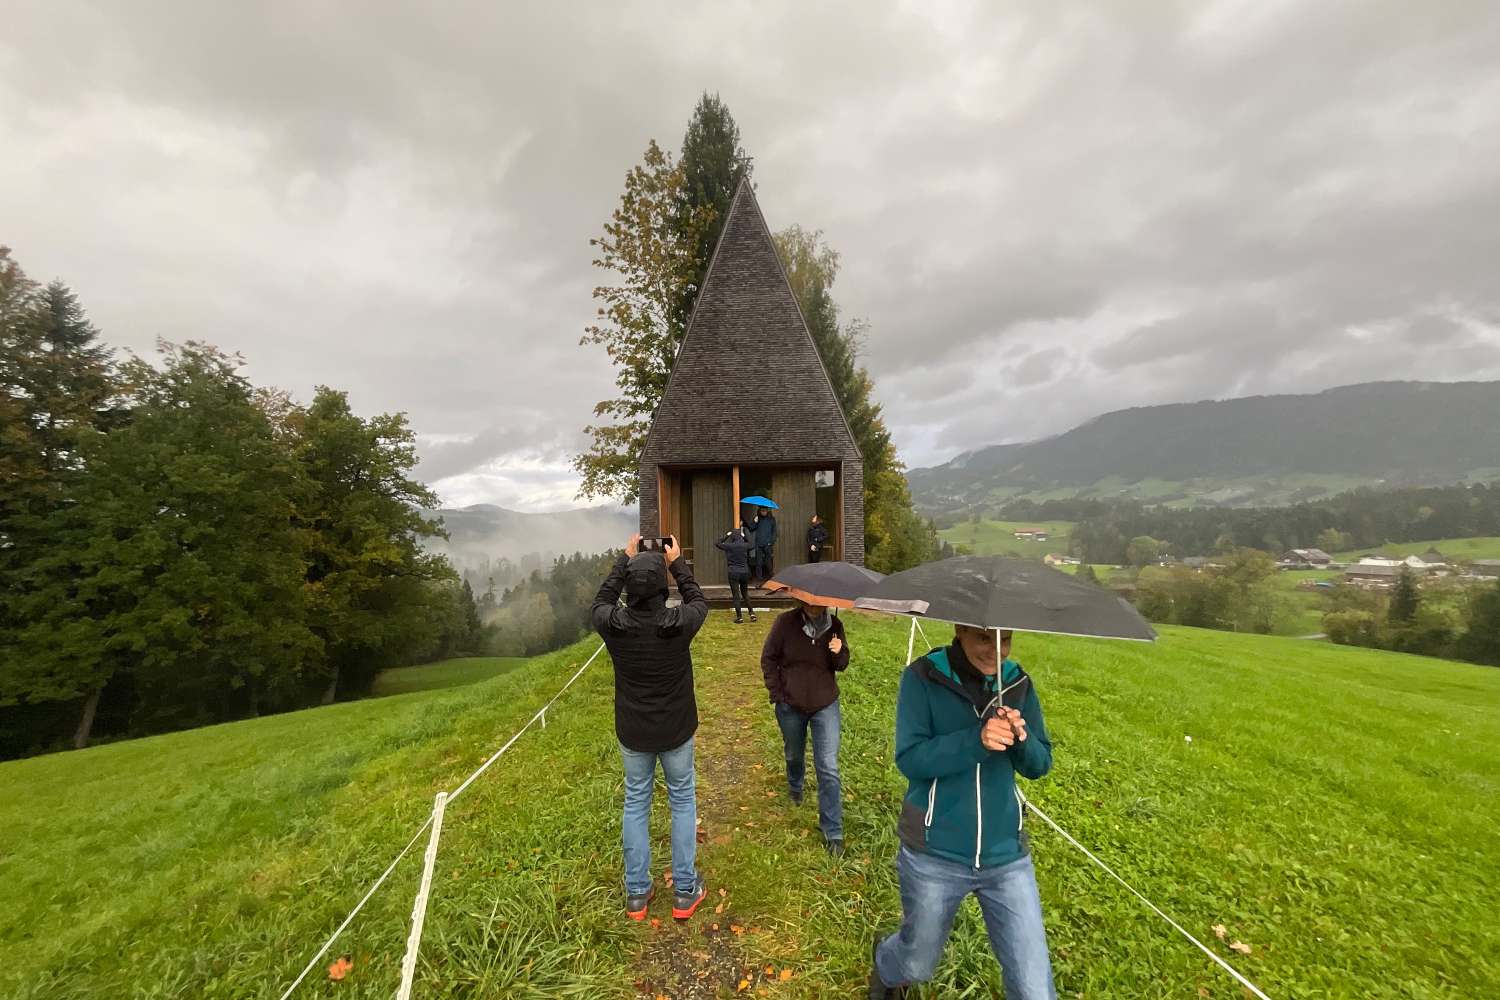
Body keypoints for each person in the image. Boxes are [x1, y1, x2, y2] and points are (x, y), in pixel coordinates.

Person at [869, 626, 1055, 1000]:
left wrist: (1022, 739)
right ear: (960, 631)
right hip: (934, 852)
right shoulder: (923, 677)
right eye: (985, 638)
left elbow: (1040, 763)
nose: (997, 650)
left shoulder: (1018, 683)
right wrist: (976, 740)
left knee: (1035, 990)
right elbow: (910, 759)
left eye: (1006, 639)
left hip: (1006, 856)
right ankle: (887, 963)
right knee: (916, 965)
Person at [591, 533, 711, 923]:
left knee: (635, 804)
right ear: (662, 586)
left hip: (633, 729)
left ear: (629, 586)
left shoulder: (614, 625)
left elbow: (600, 602)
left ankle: (638, 895)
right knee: (681, 801)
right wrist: (677, 563)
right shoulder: (678, 623)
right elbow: (699, 601)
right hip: (676, 727)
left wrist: (624, 559)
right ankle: (685, 891)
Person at [759, 598, 849, 855]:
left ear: (826, 603)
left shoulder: (835, 626)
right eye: (808, 602)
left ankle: (833, 832)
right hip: (791, 704)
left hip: (825, 704)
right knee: (794, 754)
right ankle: (795, 785)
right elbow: (768, 658)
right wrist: (777, 694)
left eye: (818, 603)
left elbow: (841, 665)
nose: (813, 606)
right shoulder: (784, 623)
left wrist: (838, 650)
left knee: (829, 767)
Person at [716, 527, 757, 624]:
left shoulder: (729, 546)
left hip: (733, 572)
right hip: (744, 572)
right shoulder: (745, 545)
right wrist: (745, 534)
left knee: (736, 595)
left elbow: (717, 543)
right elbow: (752, 544)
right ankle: (752, 613)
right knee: (745, 593)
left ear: (732, 537)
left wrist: (727, 535)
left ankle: (739, 617)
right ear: (740, 537)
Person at [753, 505, 778, 583]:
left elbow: (774, 532)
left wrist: (771, 542)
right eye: (762, 511)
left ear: (767, 511)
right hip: (758, 544)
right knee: (758, 563)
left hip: (768, 544)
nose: (763, 512)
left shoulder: (771, 519)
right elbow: (751, 528)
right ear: (760, 511)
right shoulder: (758, 518)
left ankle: (772, 578)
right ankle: (759, 580)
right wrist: (754, 521)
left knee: (768, 562)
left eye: (764, 511)